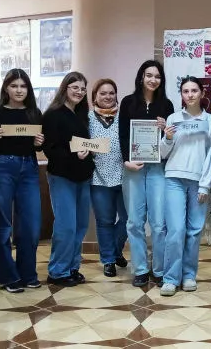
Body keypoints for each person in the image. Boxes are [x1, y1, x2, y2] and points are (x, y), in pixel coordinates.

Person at [0, 69, 44, 293]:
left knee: (31, 224)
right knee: (2, 224)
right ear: (6, 88)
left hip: (29, 167)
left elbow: (39, 145)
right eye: (14, 86)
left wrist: (38, 143)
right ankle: (8, 276)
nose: (19, 90)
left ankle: (27, 273)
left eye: (23, 86)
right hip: (2, 166)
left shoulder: (35, 113)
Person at [159, 76, 211, 296]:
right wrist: (167, 138)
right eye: (186, 91)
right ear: (181, 94)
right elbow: (163, 153)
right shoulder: (173, 118)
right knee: (175, 230)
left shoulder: (210, 120)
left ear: (201, 93)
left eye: (194, 90)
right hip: (174, 178)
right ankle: (170, 278)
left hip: (198, 181)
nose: (190, 95)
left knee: (194, 230)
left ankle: (189, 275)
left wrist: (205, 185)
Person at [118, 60, 174, 287]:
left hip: (157, 168)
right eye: (149, 75)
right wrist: (126, 160)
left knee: (159, 223)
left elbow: (170, 140)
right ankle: (140, 269)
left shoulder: (167, 105)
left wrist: (165, 129)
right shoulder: (128, 102)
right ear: (141, 77)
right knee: (134, 222)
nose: (153, 80)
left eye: (157, 76)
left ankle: (158, 270)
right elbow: (122, 135)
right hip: (134, 168)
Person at [42, 72, 94, 287]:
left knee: (80, 225)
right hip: (62, 176)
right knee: (66, 226)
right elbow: (49, 149)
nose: (79, 92)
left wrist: (89, 151)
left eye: (82, 89)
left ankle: (72, 267)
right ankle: (57, 271)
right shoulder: (53, 115)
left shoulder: (82, 114)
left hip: (83, 176)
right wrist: (74, 154)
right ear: (65, 88)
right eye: (75, 87)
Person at [88, 78, 128, 278]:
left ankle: (116, 250)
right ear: (95, 96)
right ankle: (109, 260)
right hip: (98, 178)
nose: (108, 96)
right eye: (103, 93)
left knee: (129, 219)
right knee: (105, 221)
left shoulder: (124, 115)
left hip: (126, 176)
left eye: (111, 93)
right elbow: (80, 143)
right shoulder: (87, 118)